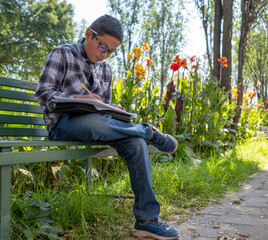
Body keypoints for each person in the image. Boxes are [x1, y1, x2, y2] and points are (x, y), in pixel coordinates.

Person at [35, 14, 180, 240]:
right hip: (63, 124)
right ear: (88, 34)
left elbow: (103, 110)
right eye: (102, 46)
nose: (105, 55)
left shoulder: (106, 69)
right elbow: (43, 93)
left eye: (111, 51)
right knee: (100, 124)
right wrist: (79, 98)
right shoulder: (62, 54)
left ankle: (146, 220)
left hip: (99, 126)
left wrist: (114, 109)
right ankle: (147, 130)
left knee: (136, 142)